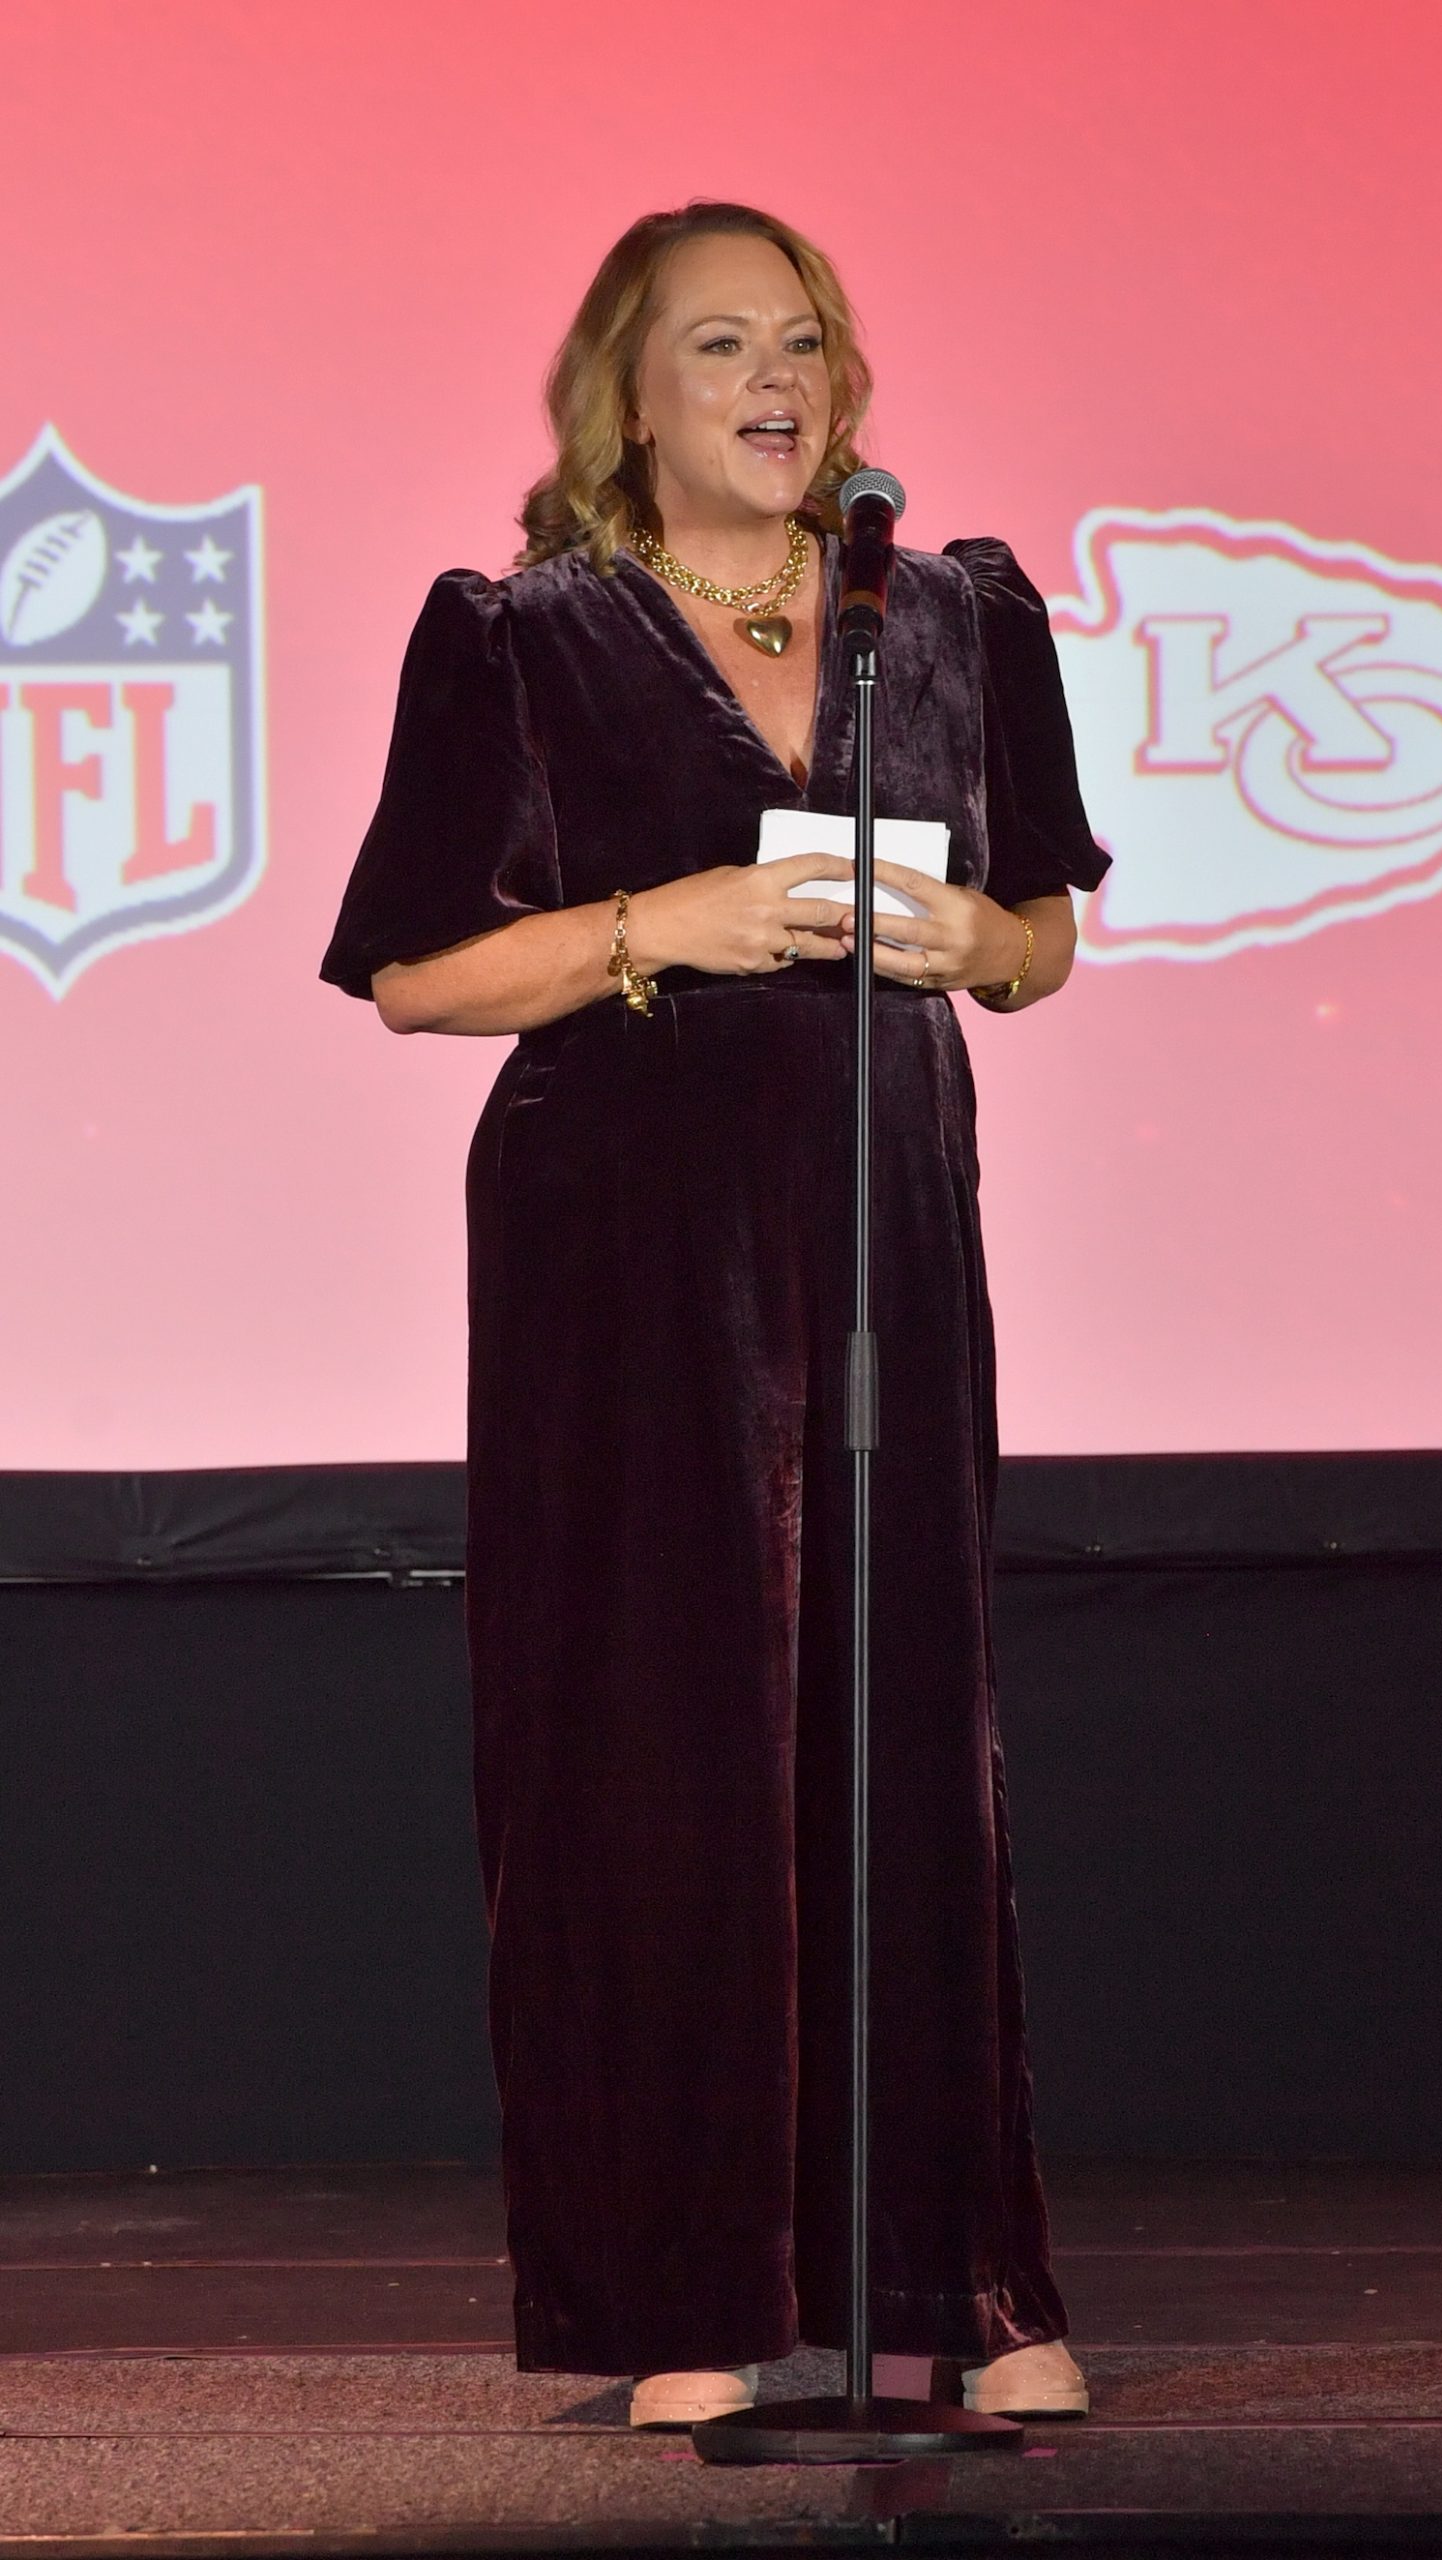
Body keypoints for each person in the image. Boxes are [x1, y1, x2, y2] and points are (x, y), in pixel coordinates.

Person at [320, 201, 1108, 2429]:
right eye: (722, 345)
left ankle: (958, 2284)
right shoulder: (519, 635)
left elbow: (1046, 924)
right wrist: (656, 923)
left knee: (907, 1732)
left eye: (804, 341)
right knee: (656, 1750)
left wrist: (987, 949)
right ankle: (691, 2294)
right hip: (623, 1251)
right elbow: (412, 979)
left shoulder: (947, 612)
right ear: (629, 395)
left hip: (881, 1227)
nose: (778, 380)